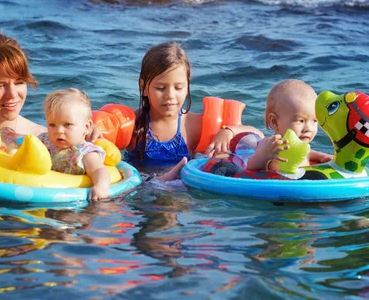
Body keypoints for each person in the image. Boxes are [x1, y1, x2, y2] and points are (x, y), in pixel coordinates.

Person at [125, 41, 263, 179]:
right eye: (160, 88)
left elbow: (258, 136)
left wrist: (229, 131)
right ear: (143, 87)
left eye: (178, 88)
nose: (170, 96)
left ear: (187, 86)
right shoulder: (132, 123)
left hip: (180, 192)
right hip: (143, 189)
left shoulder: (191, 124)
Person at [37, 88, 110, 201]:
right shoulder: (44, 141)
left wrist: (101, 187)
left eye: (67, 125)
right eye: (52, 125)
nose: (59, 131)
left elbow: (98, 170)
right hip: (42, 193)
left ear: (86, 127)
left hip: (74, 201)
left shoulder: (85, 152)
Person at [246, 79, 332, 171]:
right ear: (274, 121)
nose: (309, 128)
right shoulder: (272, 147)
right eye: (301, 121)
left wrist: (322, 156)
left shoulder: (300, 145)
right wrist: (262, 157)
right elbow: (250, 167)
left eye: (314, 121)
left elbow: (306, 152)